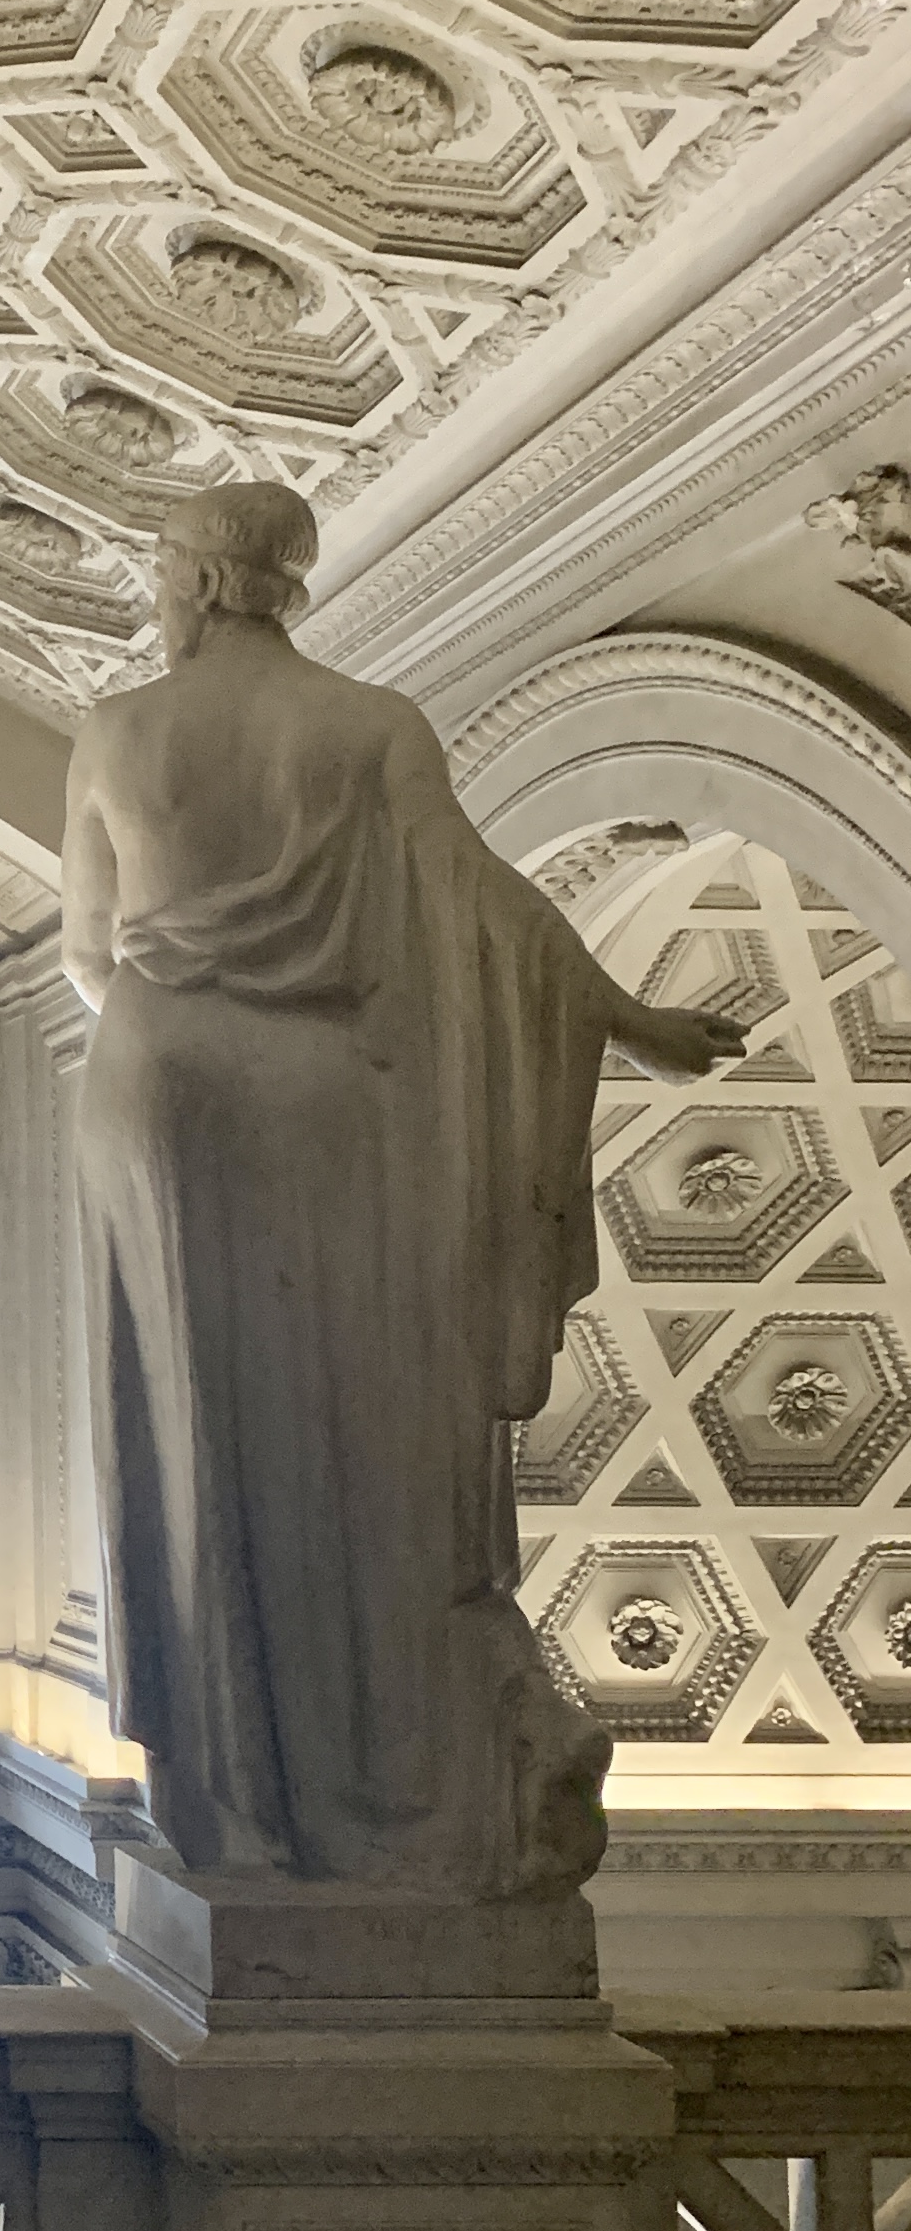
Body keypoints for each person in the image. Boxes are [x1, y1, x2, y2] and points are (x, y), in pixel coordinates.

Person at [62, 478, 737, 1898]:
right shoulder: (372, 726)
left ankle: (234, 1797)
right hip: (318, 1095)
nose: (156, 591)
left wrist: (179, 1000)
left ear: (195, 579)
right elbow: (491, 912)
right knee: (351, 1426)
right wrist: (632, 1018)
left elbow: (87, 952)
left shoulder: (119, 731)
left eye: (163, 567)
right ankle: (353, 1765)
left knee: (197, 1439)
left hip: (158, 1083)